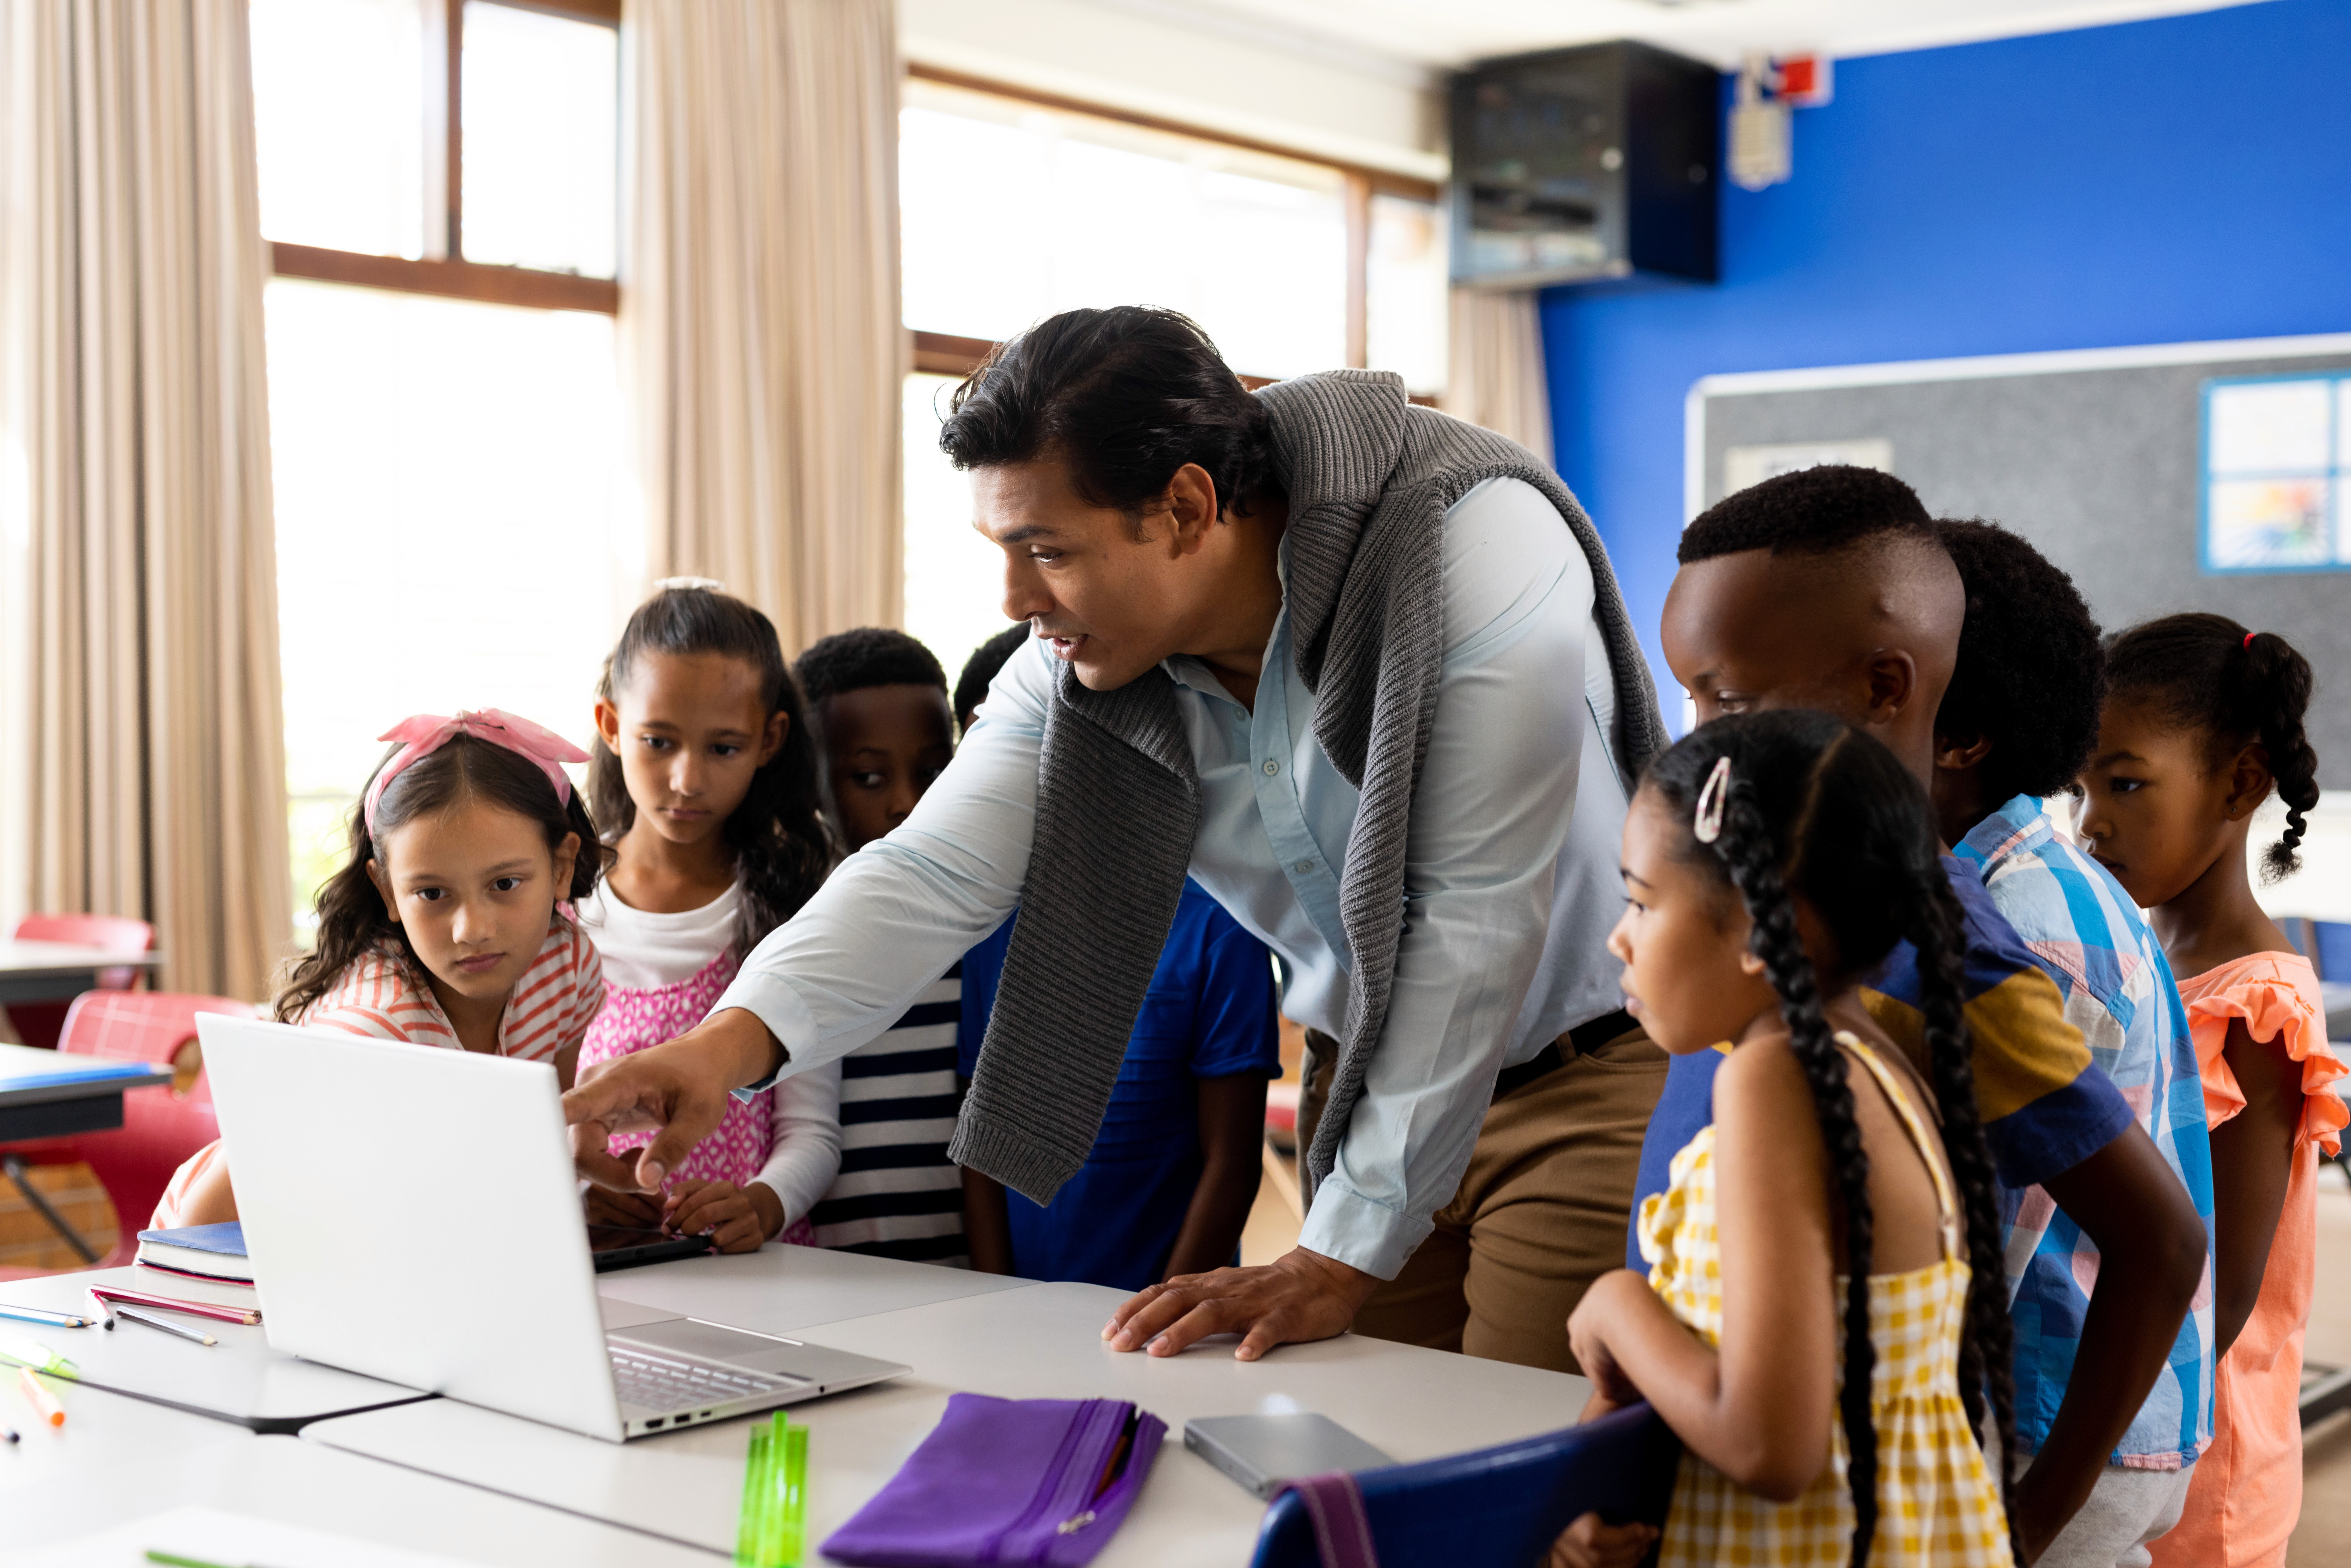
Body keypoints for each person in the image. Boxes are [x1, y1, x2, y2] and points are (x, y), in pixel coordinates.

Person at [562, 305, 1669, 1369]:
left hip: (1570, 1079)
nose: (1012, 598)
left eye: (1044, 547)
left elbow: (1474, 918)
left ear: (1186, 508)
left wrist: (1337, 1249)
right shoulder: (1086, 664)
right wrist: (724, 1045)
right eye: (1001, 546)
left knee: (1533, 1491)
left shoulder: (1467, 549)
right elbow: (930, 870)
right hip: (1365, 1084)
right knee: (1375, 1485)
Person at [1634, 466, 2208, 1561]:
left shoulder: (1959, 956)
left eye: (1730, 700)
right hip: (1711, 1439)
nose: (1696, 735)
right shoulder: (1757, 894)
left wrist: (2028, 1523)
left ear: (1887, 685)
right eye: (1689, 696)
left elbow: (2160, 1239)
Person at [1554, 711, 2015, 1568]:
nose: (1619, 936)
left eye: (1642, 902)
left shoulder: (1777, 1084)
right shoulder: (1865, 1067)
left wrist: (1619, 1302)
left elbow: (1771, 1445)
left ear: (1770, 932)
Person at [1927, 521, 2217, 1561]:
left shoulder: (2026, 919)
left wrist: (2033, 1517)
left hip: (2051, 1441)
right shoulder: (1993, 880)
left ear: (1953, 732)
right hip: (2053, 1425)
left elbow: (1992, 1234)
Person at [2084, 615, 2342, 1568]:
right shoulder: (2145, 955)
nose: (2091, 821)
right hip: (2124, 1427)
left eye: (2126, 782)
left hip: (2199, 1456)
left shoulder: (2258, 1001)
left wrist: (2076, 1454)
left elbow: (2220, 1297)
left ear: (2239, 781)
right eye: (2080, 786)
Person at [155, 710, 606, 1227]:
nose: (472, 929)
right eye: (433, 894)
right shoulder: (368, 1032)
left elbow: (544, 1145)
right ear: (389, 890)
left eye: (505, 885)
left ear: (562, 867)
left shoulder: (565, 964)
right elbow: (200, 1224)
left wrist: (583, 1193)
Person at [951, 630, 1282, 1291]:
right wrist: (994, 1299)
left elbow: (1233, 1164)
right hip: (1019, 1313)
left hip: (1163, 1319)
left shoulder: (1220, 924)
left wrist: (1156, 1319)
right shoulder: (991, 928)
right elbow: (980, 1141)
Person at [574, 582, 841, 1253]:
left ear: (769, 739)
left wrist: (761, 1203)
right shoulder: (561, 908)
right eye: (658, 741)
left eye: (723, 748)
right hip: (602, 1271)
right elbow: (530, 1113)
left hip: (755, 1272)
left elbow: (813, 1132)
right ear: (611, 726)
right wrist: (575, 1186)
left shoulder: (794, 905)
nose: (687, 779)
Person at [792, 628, 969, 1265]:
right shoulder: (794, 933)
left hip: (978, 1281)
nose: (906, 801)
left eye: (932, 772)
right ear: (812, 783)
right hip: (834, 1278)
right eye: (868, 776)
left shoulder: (982, 927)